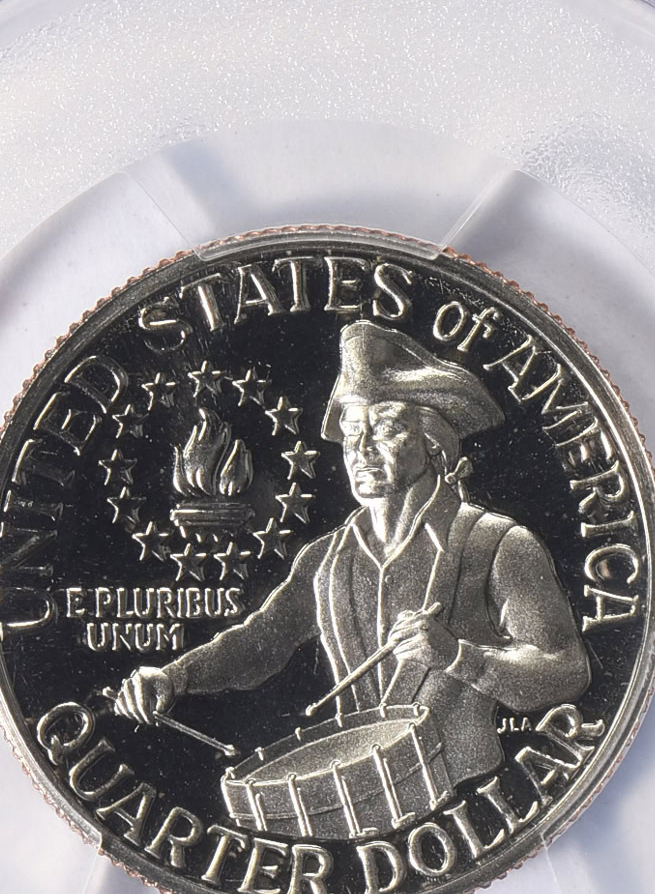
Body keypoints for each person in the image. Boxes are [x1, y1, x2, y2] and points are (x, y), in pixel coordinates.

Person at [115, 320, 590, 790]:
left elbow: (566, 672)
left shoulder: (500, 544)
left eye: (384, 429)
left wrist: (458, 657)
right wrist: (174, 677)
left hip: (469, 790)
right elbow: (260, 642)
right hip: (358, 793)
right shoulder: (324, 559)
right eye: (351, 431)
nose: (360, 449)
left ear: (433, 443)